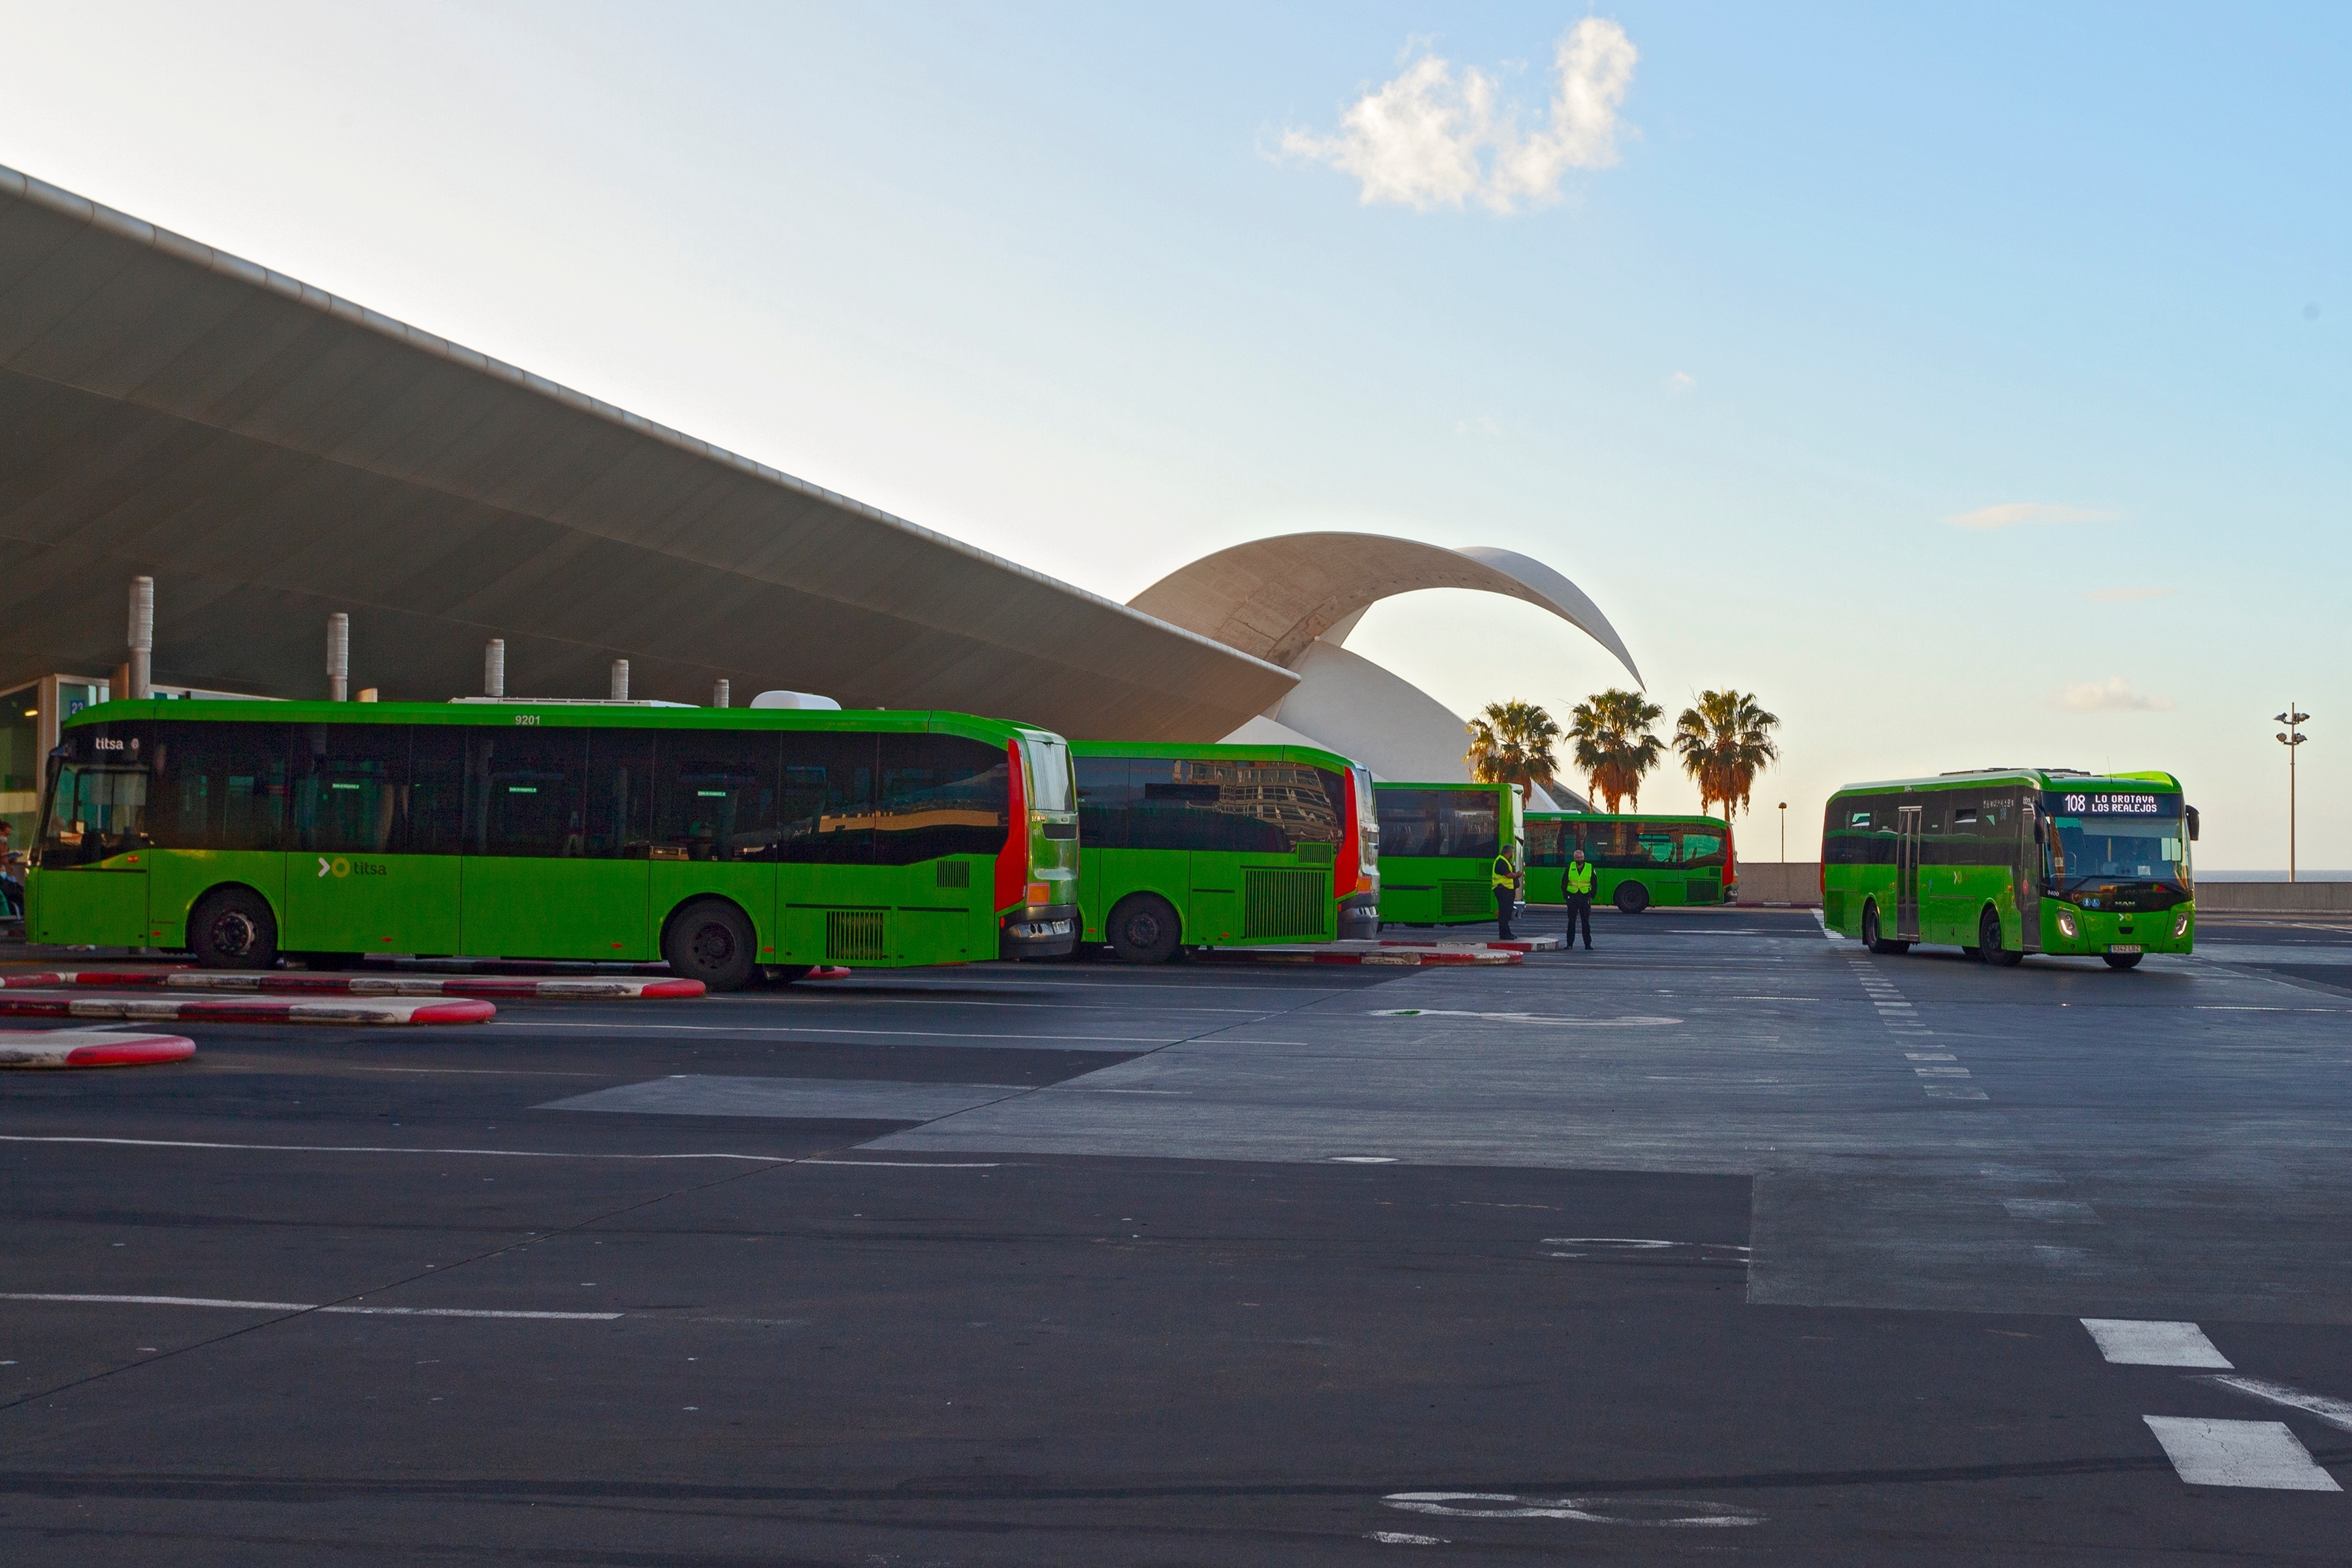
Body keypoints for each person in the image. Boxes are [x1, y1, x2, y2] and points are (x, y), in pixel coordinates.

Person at [1564, 847, 1596, 951]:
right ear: (1574, 858)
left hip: (1585, 897)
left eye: (1581, 857)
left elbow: (1595, 884)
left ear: (1584, 858)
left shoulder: (1590, 868)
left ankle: (1588, 945)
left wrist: (1591, 896)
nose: (1579, 859)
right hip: (1572, 897)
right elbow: (1564, 883)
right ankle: (1569, 945)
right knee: (1571, 922)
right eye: (1577, 857)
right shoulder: (1570, 867)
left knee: (1585, 922)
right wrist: (1567, 897)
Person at [1490, 845, 1518, 940]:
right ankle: (1504, 934)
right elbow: (1508, 875)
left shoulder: (1504, 861)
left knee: (1507, 913)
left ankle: (1507, 933)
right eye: (1511, 853)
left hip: (1506, 890)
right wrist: (1518, 875)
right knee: (1504, 913)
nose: (1512, 855)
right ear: (1508, 853)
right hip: (1503, 890)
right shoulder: (1501, 861)